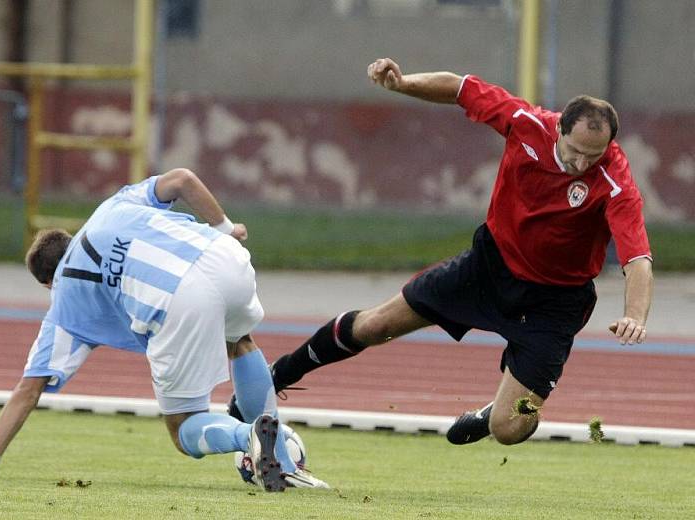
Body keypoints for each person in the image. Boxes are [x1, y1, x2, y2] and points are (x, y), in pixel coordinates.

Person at [230, 58, 653, 446]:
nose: (581, 163)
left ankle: (494, 413)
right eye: (574, 150)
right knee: (377, 325)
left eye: (592, 156)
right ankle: (277, 375)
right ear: (560, 127)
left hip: (553, 304)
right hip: (488, 268)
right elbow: (459, 87)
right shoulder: (527, 123)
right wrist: (402, 83)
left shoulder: (615, 182)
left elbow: (637, 259)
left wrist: (635, 314)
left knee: (511, 427)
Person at [0, 168, 329, 490]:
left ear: (48, 282)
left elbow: (28, 389)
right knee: (240, 341)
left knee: (182, 428)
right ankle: (282, 459)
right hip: (225, 257)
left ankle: (246, 437)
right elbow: (182, 179)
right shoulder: (112, 206)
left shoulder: (64, 300)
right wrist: (225, 227)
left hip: (178, 298)